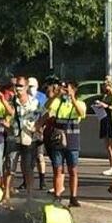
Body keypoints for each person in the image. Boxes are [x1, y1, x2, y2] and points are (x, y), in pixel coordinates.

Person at [42, 78, 87, 207]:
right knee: (58, 169)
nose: (66, 91)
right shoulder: (58, 102)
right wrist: (57, 95)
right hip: (58, 140)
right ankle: (57, 195)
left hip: (72, 140)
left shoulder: (80, 103)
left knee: (73, 170)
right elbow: (47, 106)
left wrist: (72, 98)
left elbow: (81, 113)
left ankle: (73, 196)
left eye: (68, 88)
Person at [3, 78, 40, 201]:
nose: (17, 88)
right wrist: (7, 127)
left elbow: (44, 114)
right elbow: (8, 117)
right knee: (9, 167)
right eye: (16, 85)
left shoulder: (34, 102)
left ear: (26, 87)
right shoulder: (11, 102)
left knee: (28, 168)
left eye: (20, 85)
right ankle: (6, 194)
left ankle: (30, 195)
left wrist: (38, 126)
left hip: (29, 138)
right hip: (14, 138)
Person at [94, 81, 112, 178]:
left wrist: (107, 106)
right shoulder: (105, 96)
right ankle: (111, 166)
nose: (105, 89)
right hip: (104, 121)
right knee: (107, 145)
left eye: (106, 87)